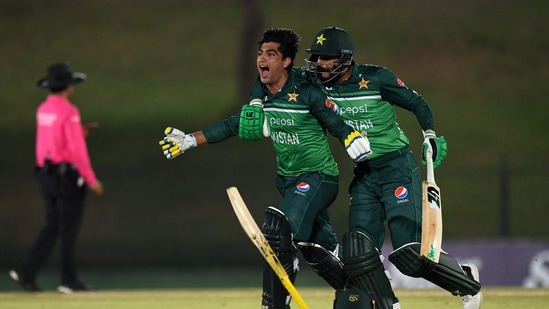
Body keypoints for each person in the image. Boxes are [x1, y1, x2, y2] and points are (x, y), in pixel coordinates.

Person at [159, 28, 371, 309]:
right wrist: (190, 140)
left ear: (286, 61)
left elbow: (329, 116)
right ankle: (363, 295)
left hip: (319, 178)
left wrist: (349, 135)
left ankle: (273, 305)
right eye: (260, 53)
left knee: (278, 225)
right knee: (314, 248)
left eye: (271, 54)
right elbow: (233, 125)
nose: (262, 59)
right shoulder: (261, 93)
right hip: (288, 181)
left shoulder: (305, 90)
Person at [303, 26, 482, 309]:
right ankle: (388, 305)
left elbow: (416, 102)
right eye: (316, 57)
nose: (320, 64)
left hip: (396, 166)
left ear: (346, 59)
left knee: (408, 254)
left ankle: (465, 280)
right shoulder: (316, 86)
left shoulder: (376, 78)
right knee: (359, 252)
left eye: (327, 57)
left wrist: (430, 135)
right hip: (364, 174)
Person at [9, 62, 104, 294]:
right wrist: (90, 178)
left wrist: (78, 131)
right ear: (68, 87)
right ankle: (68, 280)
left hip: (46, 173)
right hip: (66, 176)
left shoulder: (44, 110)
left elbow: (51, 141)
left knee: (53, 224)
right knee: (69, 228)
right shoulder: (69, 111)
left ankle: (27, 272)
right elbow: (76, 149)